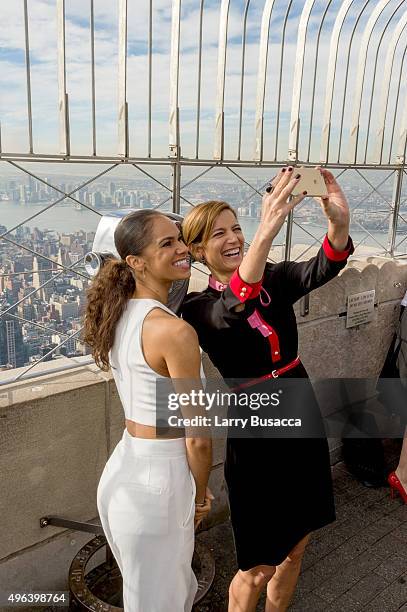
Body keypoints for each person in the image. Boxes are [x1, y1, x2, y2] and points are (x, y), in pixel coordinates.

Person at [181, 167, 354, 612]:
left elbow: (324, 266)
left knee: (297, 548)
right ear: (198, 251)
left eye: (237, 227)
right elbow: (235, 306)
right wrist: (266, 228)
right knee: (257, 565)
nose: (233, 237)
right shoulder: (197, 309)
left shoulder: (274, 279)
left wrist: (339, 223)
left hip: (299, 407)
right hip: (257, 427)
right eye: (218, 233)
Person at [83, 209, 213, 612]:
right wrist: (200, 495)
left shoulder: (117, 313)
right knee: (167, 600)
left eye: (179, 238)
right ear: (136, 262)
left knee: (147, 598)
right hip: (162, 482)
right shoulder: (174, 331)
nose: (182, 250)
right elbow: (197, 435)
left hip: (125, 472)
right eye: (167, 243)